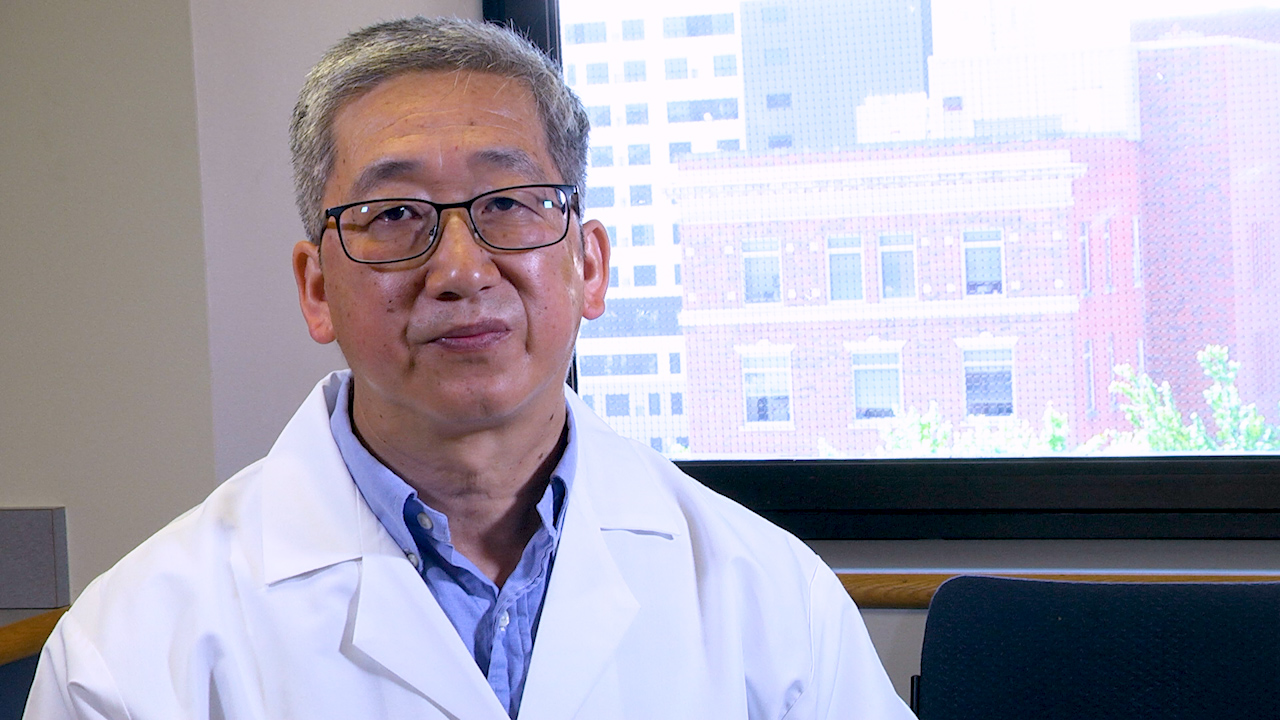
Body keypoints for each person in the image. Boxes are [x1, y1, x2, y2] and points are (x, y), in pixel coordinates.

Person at [25, 16, 914, 720]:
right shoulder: (133, 647)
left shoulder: (772, 599)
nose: (459, 269)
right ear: (316, 288)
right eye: (394, 214)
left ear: (590, 266)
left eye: (511, 203)